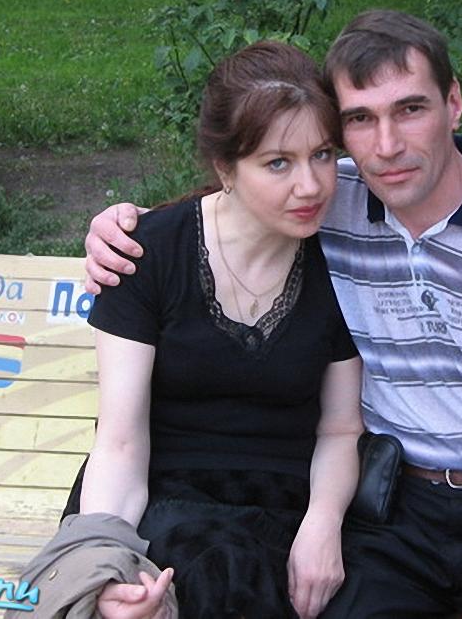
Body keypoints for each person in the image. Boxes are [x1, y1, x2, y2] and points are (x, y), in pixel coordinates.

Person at [84, 11, 462, 618]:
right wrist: (124, 227)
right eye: (360, 119)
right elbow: (241, 198)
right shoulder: (331, 200)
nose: (387, 146)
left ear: (454, 103)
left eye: (410, 109)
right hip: (390, 514)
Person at [68, 41, 364, 619]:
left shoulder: (343, 259)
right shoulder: (146, 254)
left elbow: (339, 429)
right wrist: (108, 563)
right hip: (159, 495)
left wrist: (323, 524)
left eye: (323, 155)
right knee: (197, 580)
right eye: (278, 163)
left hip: (292, 505)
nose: (310, 186)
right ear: (226, 168)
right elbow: (120, 441)